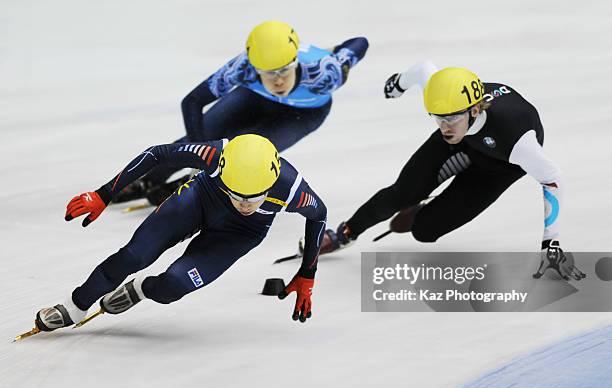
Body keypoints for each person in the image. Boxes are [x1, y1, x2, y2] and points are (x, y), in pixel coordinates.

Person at [32, 134, 327, 335]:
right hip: (201, 199)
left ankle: (142, 289)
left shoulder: (292, 189)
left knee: (172, 287)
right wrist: (104, 193)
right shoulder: (214, 154)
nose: (245, 204)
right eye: (237, 195)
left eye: (254, 198)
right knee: (134, 255)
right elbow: (157, 154)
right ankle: (75, 306)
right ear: (222, 171)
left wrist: (307, 274)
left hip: (240, 233)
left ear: (272, 184)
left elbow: (319, 215)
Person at [322, 65, 583, 280]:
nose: (444, 126)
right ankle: (345, 233)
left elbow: (553, 180)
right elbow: (425, 69)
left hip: (499, 167)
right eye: (437, 118)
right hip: (465, 144)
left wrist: (551, 243)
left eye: (450, 119)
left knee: (424, 232)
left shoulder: (519, 141)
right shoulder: (449, 104)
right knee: (401, 194)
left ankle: (421, 211)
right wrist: (399, 84)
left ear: (475, 110)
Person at [116, 20, 369, 204]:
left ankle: (197, 185)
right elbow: (192, 101)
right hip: (255, 98)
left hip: (303, 114)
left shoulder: (325, 72)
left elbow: (360, 43)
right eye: (269, 73)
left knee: (247, 152)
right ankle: (151, 178)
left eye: (284, 70)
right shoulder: (244, 68)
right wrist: (198, 153)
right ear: (255, 67)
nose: (278, 81)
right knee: (206, 136)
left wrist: (337, 52)